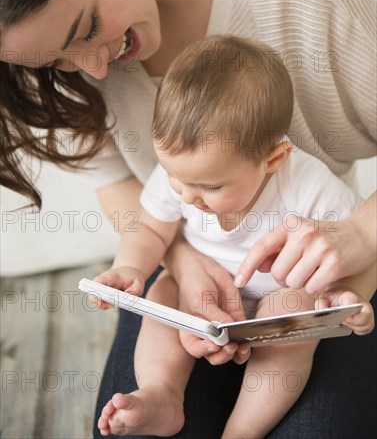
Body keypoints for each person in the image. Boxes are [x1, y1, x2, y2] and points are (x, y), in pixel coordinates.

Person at [0, 0, 375, 437]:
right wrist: (172, 261)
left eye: (83, 30)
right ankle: (162, 394)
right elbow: (127, 194)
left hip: (303, 277)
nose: (92, 70)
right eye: (58, 62)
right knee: (152, 340)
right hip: (189, 264)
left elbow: (342, 265)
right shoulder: (158, 166)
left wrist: (361, 241)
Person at [91, 36, 374, 437]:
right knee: (162, 293)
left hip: (280, 291)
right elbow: (151, 228)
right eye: (176, 176)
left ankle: (243, 429)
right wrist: (129, 267)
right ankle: (162, 392)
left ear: (273, 159)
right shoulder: (185, 176)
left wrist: (350, 298)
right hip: (200, 284)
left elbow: (354, 250)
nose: (188, 195)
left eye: (209, 186)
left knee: (291, 327)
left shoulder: (308, 185)